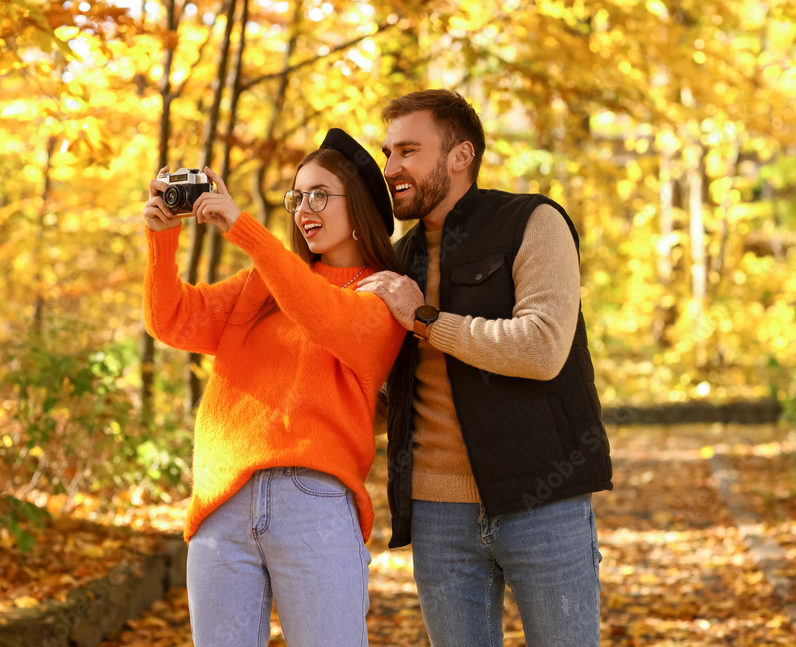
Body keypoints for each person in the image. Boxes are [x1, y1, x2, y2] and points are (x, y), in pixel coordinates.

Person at [355, 89, 613, 646]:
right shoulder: (400, 261)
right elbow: (389, 398)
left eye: (407, 151)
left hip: (543, 500)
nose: (391, 167)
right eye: (387, 153)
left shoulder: (533, 222)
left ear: (460, 155)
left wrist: (423, 317)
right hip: (436, 515)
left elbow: (542, 349)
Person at [143, 129, 405, 646]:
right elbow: (171, 320)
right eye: (297, 196)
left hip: (315, 505)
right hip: (224, 501)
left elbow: (318, 311)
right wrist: (161, 237)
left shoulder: (378, 298)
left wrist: (243, 229)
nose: (304, 208)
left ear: (364, 207)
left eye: (320, 194)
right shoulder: (259, 286)